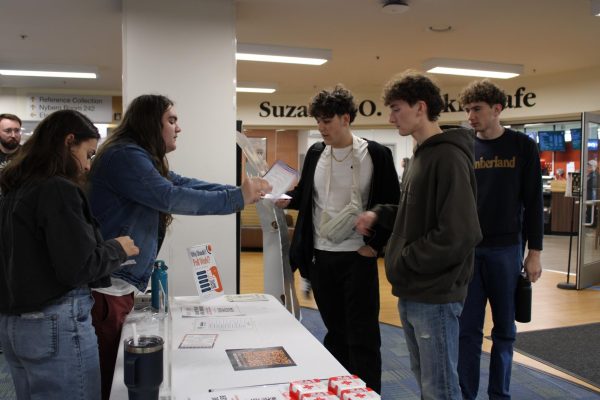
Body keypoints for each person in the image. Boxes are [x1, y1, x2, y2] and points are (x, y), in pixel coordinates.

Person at [87, 94, 271, 399]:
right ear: (150, 122)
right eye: (172, 120)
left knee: (119, 374)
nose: (178, 128)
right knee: (113, 379)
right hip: (106, 290)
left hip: (117, 286)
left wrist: (238, 191)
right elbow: (170, 197)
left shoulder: (138, 156)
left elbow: (183, 184)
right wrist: (237, 198)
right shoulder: (125, 156)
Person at [355, 71, 482, 399]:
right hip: (414, 290)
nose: (390, 117)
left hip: (434, 294)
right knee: (426, 381)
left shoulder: (449, 157)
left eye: (396, 108)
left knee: (439, 387)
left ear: (420, 107)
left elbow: (460, 233)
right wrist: (381, 214)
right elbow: (417, 215)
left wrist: (405, 259)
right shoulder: (421, 155)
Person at [0, 110, 139, 400]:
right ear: (69, 141)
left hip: (14, 327)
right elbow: (79, 266)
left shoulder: (16, 190)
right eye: (88, 155)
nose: (88, 167)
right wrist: (118, 248)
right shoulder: (58, 189)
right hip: (55, 326)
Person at [276, 85, 400, 392]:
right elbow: (306, 196)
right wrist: (285, 198)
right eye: (318, 120)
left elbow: (393, 205)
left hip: (358, 256)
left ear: (346, 118)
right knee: (335, 332)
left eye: (327, 120)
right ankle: (338, 391)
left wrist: (374, 246)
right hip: (320, 257)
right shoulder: (317, 153)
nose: (321, 127)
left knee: (363, 336)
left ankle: (368, 393)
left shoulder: (376, 154)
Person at [457, 79, 543, 400]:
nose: (470, 117)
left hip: (507, 251)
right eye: (467, 110)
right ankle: (466, 393)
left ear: (497, 109)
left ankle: (499, 395)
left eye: (476, 109)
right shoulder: (464, 146)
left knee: (505, 331)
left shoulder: (522, 146)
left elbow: (534, 201)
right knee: (467, 332)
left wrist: (534, 252)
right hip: (470, 252)